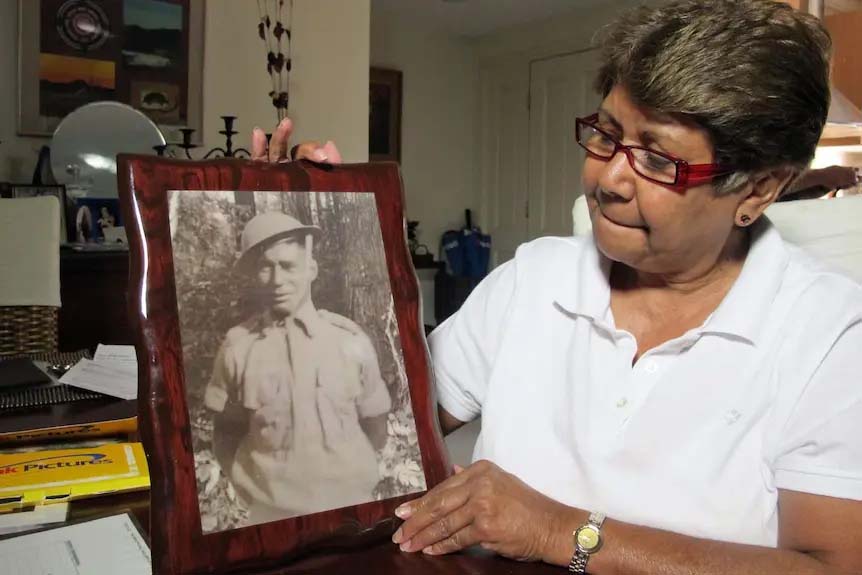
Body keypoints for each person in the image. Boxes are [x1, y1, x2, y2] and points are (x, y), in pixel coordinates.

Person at [254, 1, 862, 572]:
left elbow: (831, 567)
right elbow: (376, 440)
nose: (608, 179)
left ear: (758, 189)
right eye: (605, 134)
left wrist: (557, 530)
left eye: (658, 160)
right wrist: (313, 243)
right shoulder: (534, 278)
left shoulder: (829, 336)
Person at [204, 211, 392, 525]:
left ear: (311, 269)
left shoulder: (350, 342)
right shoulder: (239, 347)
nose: (278, 280)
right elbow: (225, 434)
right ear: (254, 275)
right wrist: (257, 492)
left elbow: (376, 427)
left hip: (353, 512)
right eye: (266, 267)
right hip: (271, 518)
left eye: (289, 266)